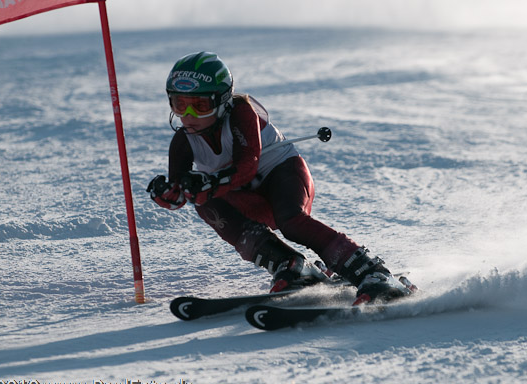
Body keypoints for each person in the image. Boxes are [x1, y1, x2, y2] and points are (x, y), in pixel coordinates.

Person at [147, 51, 413, 304]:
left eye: (200, 106)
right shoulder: (183, 141)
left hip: (283, 176)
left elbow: (247, 166)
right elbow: (182, 194)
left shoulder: (241, 113)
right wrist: (170, 194)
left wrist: (210, 182)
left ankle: (372, 272)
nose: (188, 116)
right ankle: (291, 265)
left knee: (292, 222)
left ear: (222, 101)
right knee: (204, 203)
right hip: (248, 199)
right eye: (179, 104)